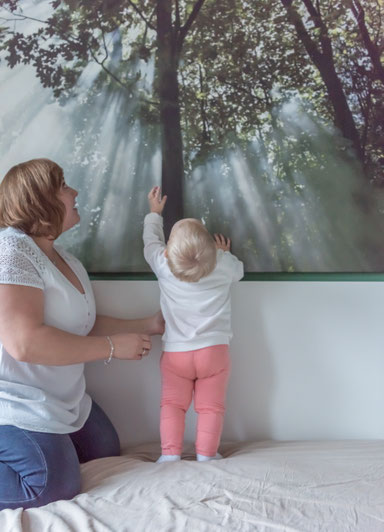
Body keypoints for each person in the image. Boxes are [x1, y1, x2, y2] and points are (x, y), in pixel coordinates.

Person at [0, 158, 163, 510]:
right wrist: (110, 348)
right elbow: (23, 343)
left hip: (64, 397)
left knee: (102, 449)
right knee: (48, 486)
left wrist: (147, 324)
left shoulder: (66, 260)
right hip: (16, 398)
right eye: (63, 186)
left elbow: (82, 322)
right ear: (39, 198)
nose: (74, 192)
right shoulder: (12, 249)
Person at [143, 186, 244, 463]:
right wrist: (224, 254)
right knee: (212, 408)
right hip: (214, 352)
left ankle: (170, 455)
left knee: (172, 405)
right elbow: (240, 271)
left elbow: (150, 243)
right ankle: (206, 455)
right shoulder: (221, 264)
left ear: (168, 251)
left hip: (177, 354)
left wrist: (154, 215)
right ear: (211, 249)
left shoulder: (163, 265)